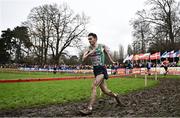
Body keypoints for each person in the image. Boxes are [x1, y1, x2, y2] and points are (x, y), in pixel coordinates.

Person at [80, 33, 125, 115]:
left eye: (91, 39)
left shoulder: (102, 46)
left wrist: (112, 61)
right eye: (88, 39)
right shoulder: (87, 49)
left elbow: (107, 53)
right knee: (105, 91)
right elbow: (83, 59)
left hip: (101, 69)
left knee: (94, 86)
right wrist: (91, 52)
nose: (89, 41)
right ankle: (116, 96)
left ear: (95, 39)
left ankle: (89, 108)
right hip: (95, 70)